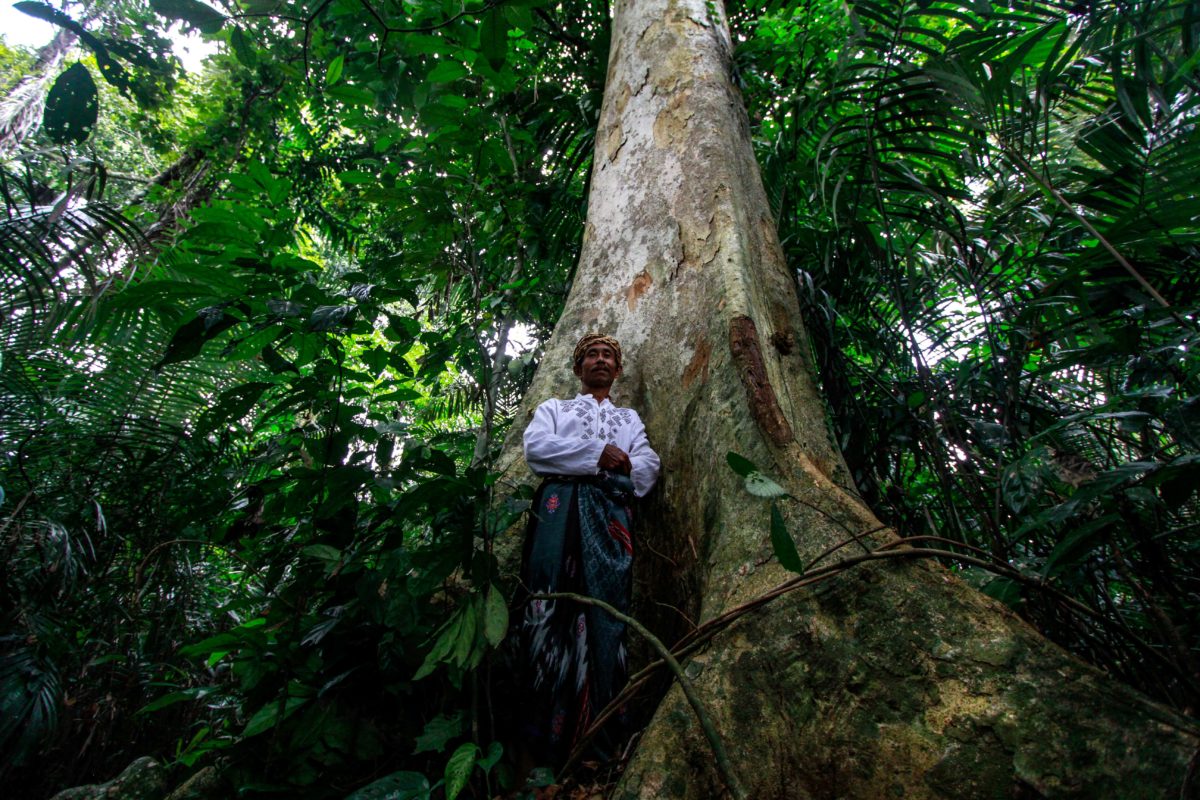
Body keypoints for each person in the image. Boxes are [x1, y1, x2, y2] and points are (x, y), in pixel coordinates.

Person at [516, 332, 660, 768]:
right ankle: (539, 741)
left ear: (617, 371)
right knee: (548, 607)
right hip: (558, 517)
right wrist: (598, 454)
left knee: (603, 614)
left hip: (609, 518)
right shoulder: (554, 410)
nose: (600, 361)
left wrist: (622, 465)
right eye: (591, 355)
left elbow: (647, 464)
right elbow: (537, 449)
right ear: (578, 368)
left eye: (608, 356)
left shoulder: (629, 418)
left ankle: (597, 738)